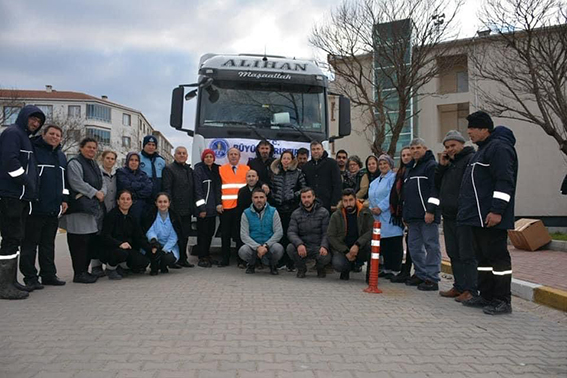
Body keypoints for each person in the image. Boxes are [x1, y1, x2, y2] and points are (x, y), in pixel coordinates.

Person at [458, 111, 518, 315]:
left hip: (491, 217)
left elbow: (504, 182)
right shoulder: (482, 151)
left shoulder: (499, 148)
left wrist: (496, 211)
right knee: (483, 259)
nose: (469, 132)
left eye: (472, 128)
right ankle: (486, 295)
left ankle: (502, 299)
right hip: (477, 217)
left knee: (497, 258)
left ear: (485, 129)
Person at [0, 105, 45, 299]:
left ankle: (11, 281)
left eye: (38, 121)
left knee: (15, 239)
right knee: (10, 239)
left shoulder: (25, 137)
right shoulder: (13, 134)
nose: (35, 123)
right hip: (11, 195)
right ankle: (4, 286)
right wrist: (26, 181)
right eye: (32, 119)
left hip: (21, 197)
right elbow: (10, 162)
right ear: (24, 117)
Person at [20, 124, 68, 290]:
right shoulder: (33, 151)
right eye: (52, 134)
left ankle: (48, 274)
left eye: (58, 135)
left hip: (54, 209)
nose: (55, 137)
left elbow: (64, 182)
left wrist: (64, 199)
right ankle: (30, 277)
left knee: (48, 244)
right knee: (30, 244)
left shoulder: (61, 157)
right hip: (35, 207)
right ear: (44, 134)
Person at [435, 130, 477, 302]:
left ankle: (471, 289)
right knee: (453, 252)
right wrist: (442, 166)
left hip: (464, 216)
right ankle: (459, 286)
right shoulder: (450, 164)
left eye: (453, 145)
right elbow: (437, 185)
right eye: (447, 147)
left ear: (462, 144)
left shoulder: (470, 160)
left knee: (467, 254)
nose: (450, 149)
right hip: (449, 215)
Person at [60, 137, 106, 284]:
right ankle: (79, 273)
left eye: (94, 148)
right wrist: (95, 192)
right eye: (89, 147)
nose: (92, 150)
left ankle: (84, 271)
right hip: (78, 209)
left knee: (88, 242)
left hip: (91, 209)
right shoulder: (75, 163)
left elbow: (102, 181)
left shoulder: (93, 164)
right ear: (81, 148)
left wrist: (102, 192)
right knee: (78, 243)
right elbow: (76, 182)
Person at [402, 138, 441, 291]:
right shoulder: (410, 169)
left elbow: (435, 190)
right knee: (413, 247)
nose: (415, 151)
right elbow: (407, 195)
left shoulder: (431, 166)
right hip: (413, 218)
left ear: (425, 148)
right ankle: (420, 274)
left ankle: (432, 278)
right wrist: (406, 215)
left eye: (418, 147)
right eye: (412, 148)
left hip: (427, 216)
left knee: (431, 246)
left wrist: (431, 210)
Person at [101, 190, 152, 280]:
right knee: (121, 253)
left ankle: (122, 268)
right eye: (122, 199)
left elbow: (139, 237)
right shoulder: (111, 216)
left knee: (143, 261)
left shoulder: (132, 217)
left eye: (128, 199)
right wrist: (119, 244)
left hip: (127, 248)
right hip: (111, 248)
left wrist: (151, 249)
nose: (125, 201)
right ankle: (110, 269)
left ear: (131, 202)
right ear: (118, 201)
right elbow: (105, 236)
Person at [368, 154, 404, 279]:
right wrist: (372, 208)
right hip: (377, 217)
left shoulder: (393, 178)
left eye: (385, 164)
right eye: (381, 164)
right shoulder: (374, 182)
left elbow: (392, 195)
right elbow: (371, 196)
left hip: (389, 215)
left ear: (390, 165)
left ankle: (395, 269)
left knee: (393, 244)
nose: (382, 166)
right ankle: (387, 268)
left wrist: (381, 207)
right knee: (384, 245)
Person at [269, 150, 306, 271]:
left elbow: (304, 188)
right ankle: (280, 261)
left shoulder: (298, 173)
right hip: (278, 208)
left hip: (292, 208)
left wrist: (293, 195)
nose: (285, 160)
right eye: (283, 158)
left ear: (292, 160)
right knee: (280, 235)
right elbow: (271, 188)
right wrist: (274, 197)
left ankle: (291, 262)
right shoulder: (275, 173)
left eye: (288, 158)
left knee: (291, 235)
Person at [328, 189, 374, 280]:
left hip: (361, 247)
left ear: (355, 199)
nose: (348, 203)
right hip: (344, 249)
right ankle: (346, 269)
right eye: (345, 201)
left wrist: (357, 244)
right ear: (342, 202)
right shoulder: (336, 215)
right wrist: (346, 251)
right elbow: (331, 236)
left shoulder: (365, 212)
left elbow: (371, 230)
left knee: (371, 246)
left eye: (351, 200)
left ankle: (370, 276)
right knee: (338, 264)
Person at [286, 188, 331, 278]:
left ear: (313, 197)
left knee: (325, 256)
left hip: (318, 246)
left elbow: (326, 232)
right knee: (290, 248)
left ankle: (320, 267)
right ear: (301, 199)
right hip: (304, 245)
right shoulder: (295, 213)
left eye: (309, 197)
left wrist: (324, 246)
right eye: (303, 197)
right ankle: (301, 268)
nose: (306, 199)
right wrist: (299, 244)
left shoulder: (324, 212)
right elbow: (291, 232)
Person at [162, 146, 195, 268]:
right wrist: (170, 208)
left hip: (187, 209)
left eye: (184, 153)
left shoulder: (189, 170)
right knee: (174, 236)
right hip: (175, 209)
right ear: (174, 155)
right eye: (179, 153)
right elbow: (167, 189)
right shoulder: (169, 169)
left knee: (184, 236)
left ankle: (183, 258)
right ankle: (171, 260)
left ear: (187, 156)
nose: (182, 155)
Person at [238, 188, 284, 275]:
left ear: (266, 198)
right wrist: (258, 247)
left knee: (278, 248)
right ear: (252, 199)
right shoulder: (246, 213)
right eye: (256, 197)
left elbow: (278, 232)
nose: (259, 200)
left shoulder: (273, 211)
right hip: (253, 246)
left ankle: (272, 265)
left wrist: (266, 245)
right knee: (243, 250)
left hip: (269, 245)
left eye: (261, 197)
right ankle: (252, 264)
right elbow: (244, 235)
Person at [218, 148, 250, 267]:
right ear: (227, 156)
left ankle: (241, 260)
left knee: (240, 235)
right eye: (231, 154)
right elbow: (217, 188)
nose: (233, 156)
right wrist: (218, 203)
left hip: (241, 207)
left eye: (235, 154)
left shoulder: (246, 169)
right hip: (226, 208)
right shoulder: (221, 169)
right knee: (225, 235)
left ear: (239, 156)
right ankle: (225, 259)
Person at [90, 150, 118, 277]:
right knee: (96, 237)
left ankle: (110, 265)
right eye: (108, 158)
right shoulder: (97, 173)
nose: (110, 161)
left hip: (112, 211)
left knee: (109, 237)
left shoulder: (117, 174)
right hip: (99, 210)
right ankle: (96, 265)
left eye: (112, 159)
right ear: (102, 159)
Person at [193, 149, 222, 268]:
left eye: (211, 156)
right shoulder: (199, 170)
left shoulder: (215, 170)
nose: (209, 159)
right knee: (202, 234)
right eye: (206, 157)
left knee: (210, 233)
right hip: (203, 210)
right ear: (203, 158)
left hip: (212, 209)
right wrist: (202, 208)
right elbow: (198, 191)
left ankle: (207, 254)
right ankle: (202, 256)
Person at [142, 193, 183, 276]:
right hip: (154, 244)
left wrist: (164, 250)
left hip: (169, 247)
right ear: (156, 203)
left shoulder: (174, 216)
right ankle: (154, 266)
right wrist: (153, 241)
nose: (162, 204)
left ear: (169, 203)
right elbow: (150, 230)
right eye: (160, 202)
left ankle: (163, 265)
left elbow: (173, 237)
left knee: (168, 258)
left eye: (165, 202)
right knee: (152, 252)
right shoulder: (150, 215)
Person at [389, 147, 414, 283]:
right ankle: (405, 270)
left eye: (408, 155)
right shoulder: (400, 173)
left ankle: (411, 271)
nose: (405, 157)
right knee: (407, 242)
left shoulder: (411, 171)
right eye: (403, 155)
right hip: (401, 212)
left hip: (410, 212)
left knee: (413, 244)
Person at [302, 141, 342, 213]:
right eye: (313, 149)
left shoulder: (332, 164)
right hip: (312, 205)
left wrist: (335, 202)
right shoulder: (306, 167)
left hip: (328, 203)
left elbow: (337, 184)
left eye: (318, 149)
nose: (316, 151)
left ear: (322, 150)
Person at [116, 152, 153, 224]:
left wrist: (134, 193)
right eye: (131, 160)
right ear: (127, 161)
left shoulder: (143, 174)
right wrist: (141, 185)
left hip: (140, 208)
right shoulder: (121, 172)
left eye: (136, 160)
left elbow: (148, 189)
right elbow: (126, 186)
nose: (134, 162)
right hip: (125, 208)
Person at [139, 135, 166, 202]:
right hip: (142, 195)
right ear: (144, 145)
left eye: (153, 145)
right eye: (148, 144)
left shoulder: (161, 160)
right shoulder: (137, 158)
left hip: (157, 195)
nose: (151, 147)